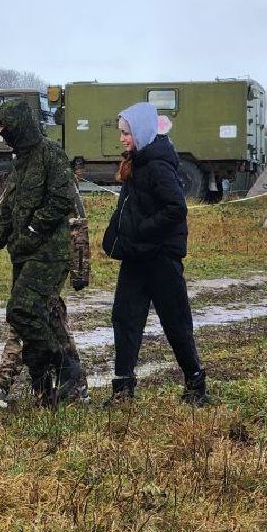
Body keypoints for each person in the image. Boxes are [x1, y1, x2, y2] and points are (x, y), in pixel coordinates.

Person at [0, 98, 83, 408]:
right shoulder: (20, 162)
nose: (3, 133)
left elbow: (61, 200)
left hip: (49, 253)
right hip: (23, 254)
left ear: (21, 124)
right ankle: (46, 389)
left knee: (22, 311)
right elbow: (6, 212)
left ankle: (67, 371)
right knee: (38, 317)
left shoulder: (50, 155)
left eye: (6, 127)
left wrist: (33, 229)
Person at [102, 102, 209, 406]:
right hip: (136, 258)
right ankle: (123, 390)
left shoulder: (158, 165)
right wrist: (117, 235)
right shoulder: (136, 161)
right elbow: (130, 208)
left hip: (161, 259)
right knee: (124, 319)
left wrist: (142, 230)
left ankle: (195, 384)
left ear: (142, 132)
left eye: (126, 133)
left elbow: (177, 209)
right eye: (121, 133)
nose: (122, 138)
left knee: (175, 322)